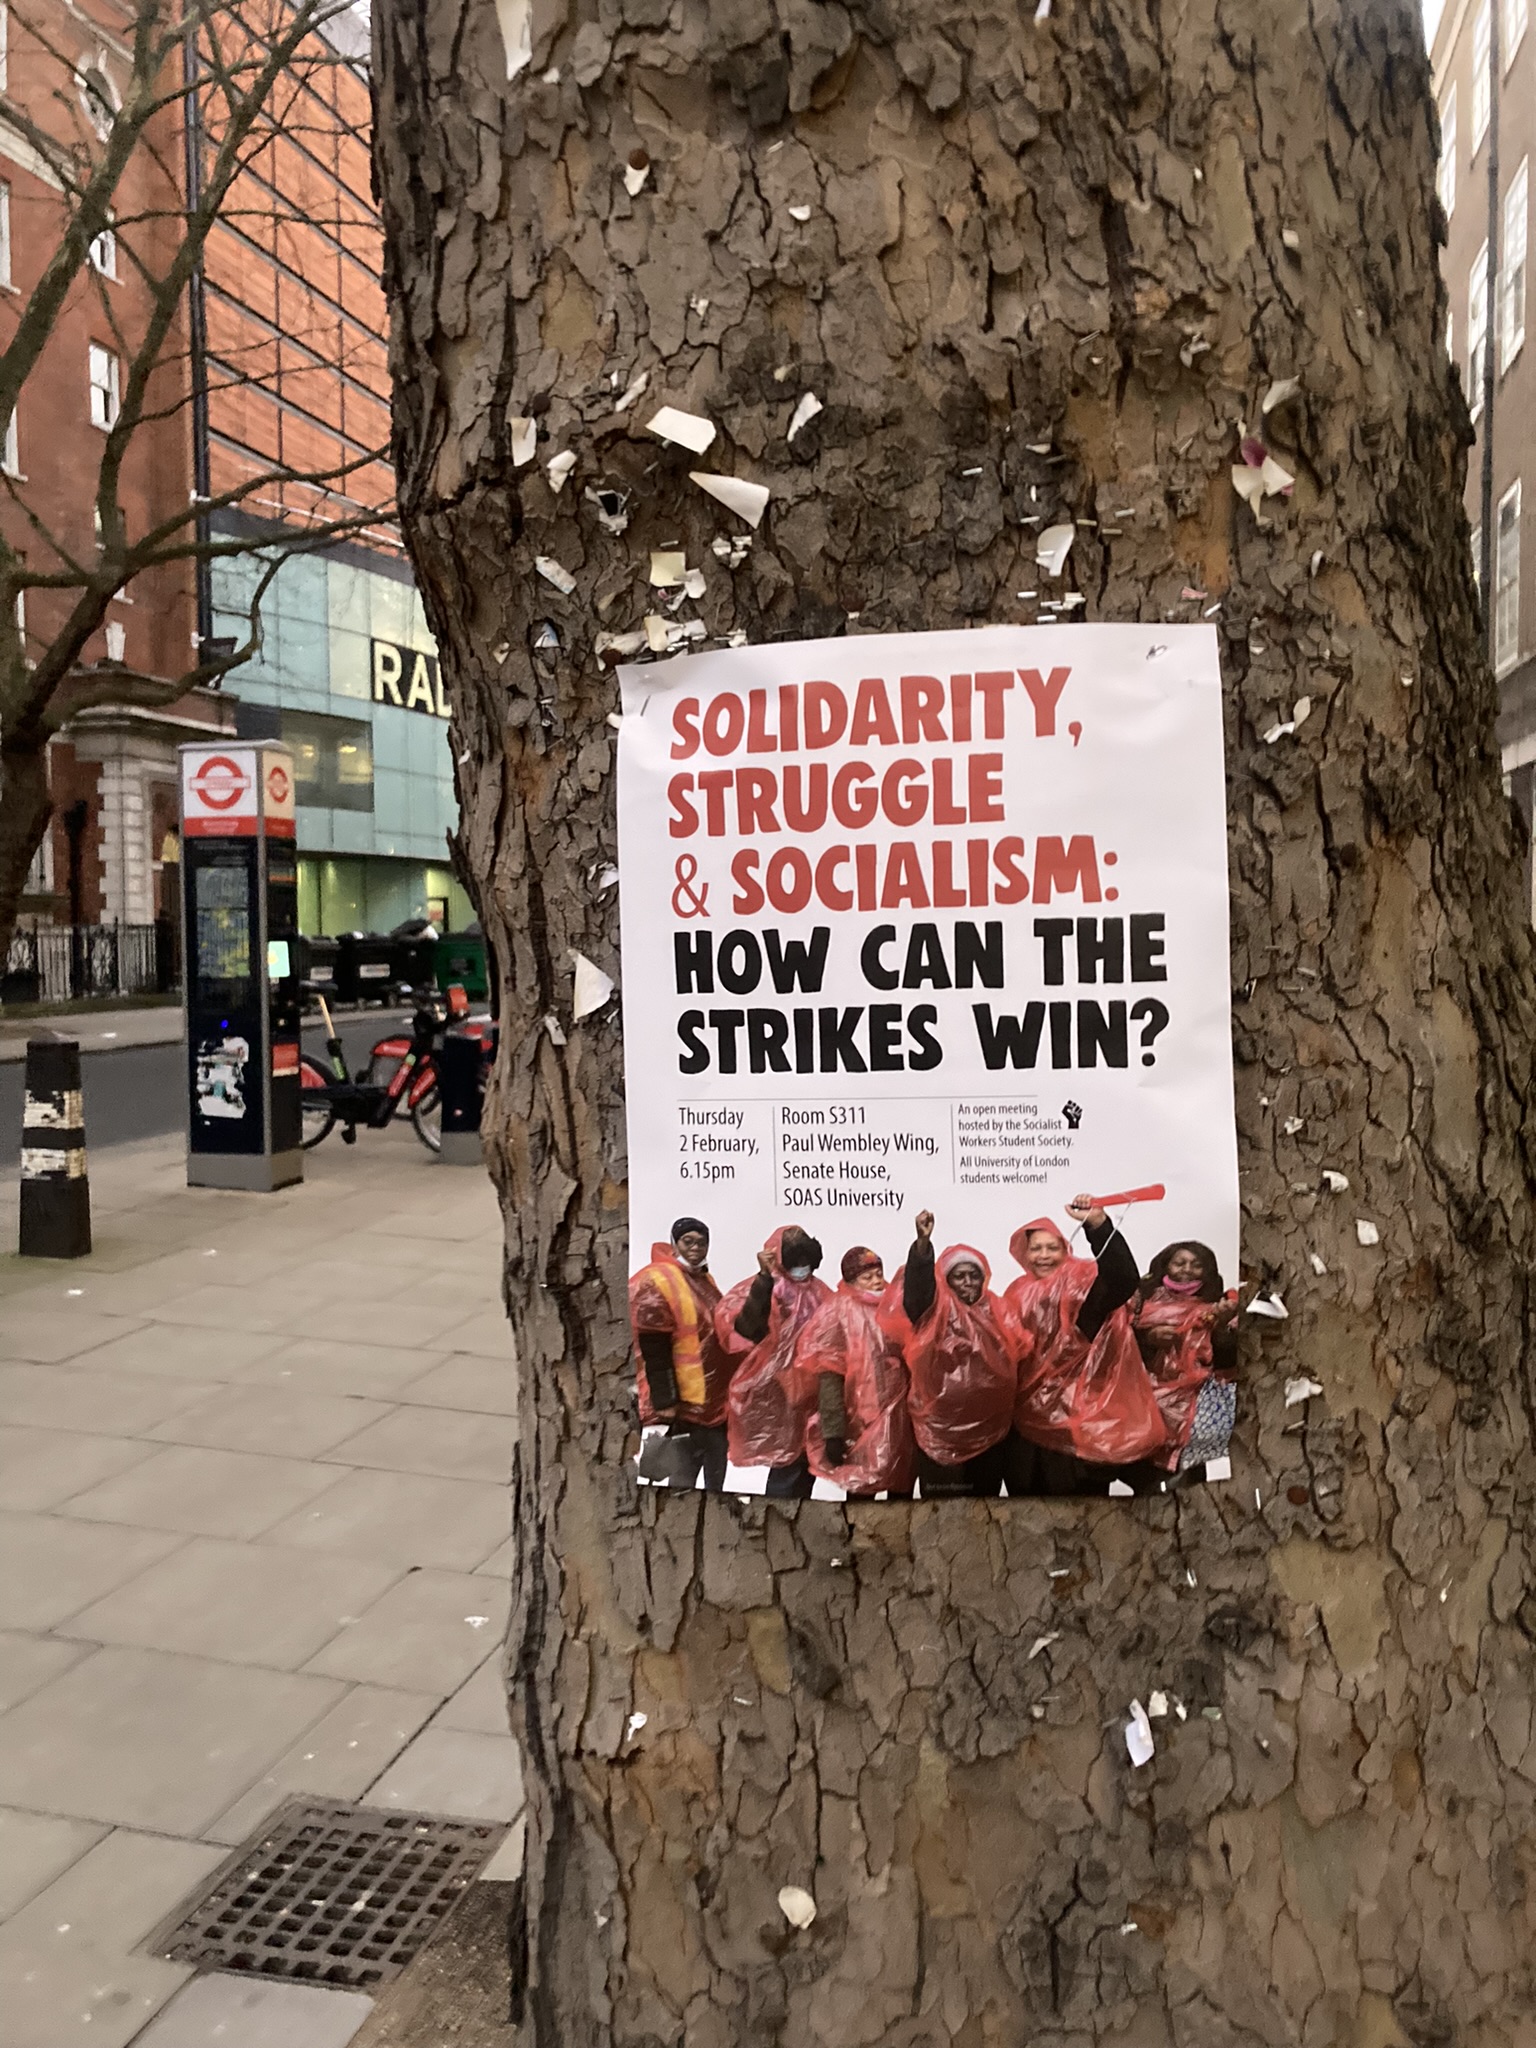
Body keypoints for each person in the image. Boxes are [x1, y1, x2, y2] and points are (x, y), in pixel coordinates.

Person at [1000, 1198, 1167, 1494]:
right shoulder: (1016, 1293)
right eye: (1036, 1248)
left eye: (1052, 1247)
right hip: (1025, 1425)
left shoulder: (1082, 1291)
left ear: (1066, 1249)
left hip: (1073, 1426)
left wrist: (1098, 1226)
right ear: (1024, 1253)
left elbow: (1122, 1278)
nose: (1043, 1256)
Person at [882, 1210, 1021, 1497]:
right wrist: (922, 1246)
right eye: (959, 1276)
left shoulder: (998, 1310)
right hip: (940, 1432)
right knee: (941, 1512)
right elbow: (918, 1291)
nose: (968, 1282)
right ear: (946, 1281)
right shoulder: (932, 1312)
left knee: (985, 1507)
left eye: (974, 1275)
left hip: (990, 1432)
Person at [717, 1225, 832, 1498]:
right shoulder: (769, 1287)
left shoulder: (818, 1291)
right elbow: (746, 1327)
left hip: (811, 1390)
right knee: (786, 1465)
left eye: (807, 1264)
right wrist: (764, 1279)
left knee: (805, 1460)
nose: (802, 1269)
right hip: (778, 1389)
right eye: (797, 1263)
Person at [801, 1246, 917, 1499]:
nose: (877, 1281)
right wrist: (833, 1433)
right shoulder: (837, 1312)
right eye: (867, 1277)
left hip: (897, 1413)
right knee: (862, 1489)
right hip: (859, 1417)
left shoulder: (894, 1305)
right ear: (851, 1280)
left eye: (879, 1273)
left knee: (901, 1483)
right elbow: (829, 1375)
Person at [628, 1216, 735, 1490]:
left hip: (710, 1402)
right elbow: (654, 1346)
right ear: (674, 1243)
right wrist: (665, 1399)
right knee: (681, 1480)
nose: (696, 1247)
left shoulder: (700, 1278)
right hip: (682, 1406)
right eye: (689, 1241)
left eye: (702, 1242)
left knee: (714, 1479)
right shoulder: (658, 1280)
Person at [1130, 1241, 1240, 1478]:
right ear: (1165, 1266)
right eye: (1179, 1263)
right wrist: (1149, 1338)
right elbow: (1119, 1344)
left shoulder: (1217, 1308)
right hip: (1141, 1400)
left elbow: (1227, 1363)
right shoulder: (1141, 1303)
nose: (1187, 1269)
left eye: (1196, 1265)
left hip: (1193, 1406)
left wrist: (1220, 1327)